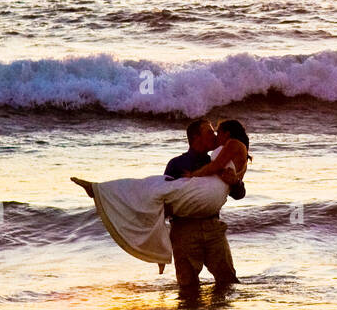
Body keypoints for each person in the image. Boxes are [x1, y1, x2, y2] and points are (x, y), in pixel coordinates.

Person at [70, 120, 250, 296]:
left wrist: (235, 182)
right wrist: (159, 242)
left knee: (228, 281)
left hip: (213, 227)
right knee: (188, 287)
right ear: (196, 137)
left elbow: (238, 193)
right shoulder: (177, 164)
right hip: (184, 230)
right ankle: (102, 191)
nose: (215, 135)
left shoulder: (220, 157)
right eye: (209, 132)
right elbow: (162, 198)